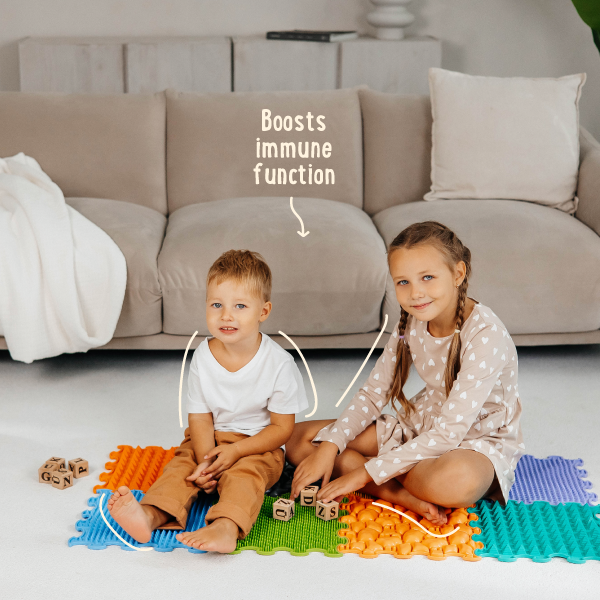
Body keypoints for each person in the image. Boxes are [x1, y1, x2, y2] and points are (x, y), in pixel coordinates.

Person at [287, 221, 524, 526]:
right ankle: (399, 494)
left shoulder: (485, 335)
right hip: (421, 425)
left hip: (472, 442)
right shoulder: (411, 321)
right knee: (298, 439)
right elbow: (374, 394)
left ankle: (374, 472)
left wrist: (362, 473)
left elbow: (450, 433)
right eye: (403, 282)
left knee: (456, 482)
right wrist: (331, 447)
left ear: (458, 274)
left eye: (428, 277)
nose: (416, 293)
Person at [108, 249, 308, 553]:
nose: (226, 315)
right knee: (181, 467)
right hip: (210, 440)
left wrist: (236, 451)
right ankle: (150, 514)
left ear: (263, 311)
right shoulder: (203, 355)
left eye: (240, 306)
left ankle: (226, 526)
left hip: (256, 446)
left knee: (244, 477)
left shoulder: (279, 364)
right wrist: (206, 460)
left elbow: (282, 429)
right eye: (217, 305)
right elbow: (200, 417)